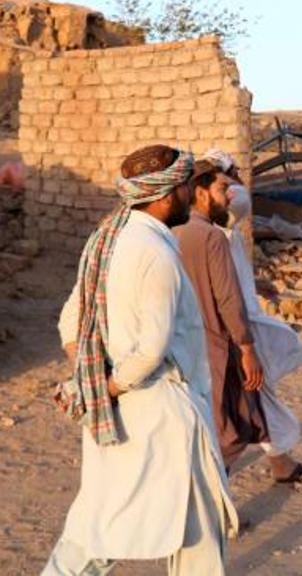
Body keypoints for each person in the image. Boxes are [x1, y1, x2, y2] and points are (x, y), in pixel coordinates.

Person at [44, 145, 236, 576]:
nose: (192, 194)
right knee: (198, 534)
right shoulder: (156, 253)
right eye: (188, 186)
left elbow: (69, 322)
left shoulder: (106, 239)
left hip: (115, 414)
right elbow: (151, 349)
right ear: (167, 194)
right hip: (163, 416)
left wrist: (90, 381)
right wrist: (104, 386)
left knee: (99, 526)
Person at [174, 156, 302, 487]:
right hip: (220, 343)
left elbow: (219, 283)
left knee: (248, 410)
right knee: (229, 430)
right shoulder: (212, 235)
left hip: (202, 343)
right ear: (200, 192)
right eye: (224, 186)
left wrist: (252, 286)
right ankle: (209, 507)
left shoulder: (182, 232)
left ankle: (280, 466)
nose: (231, 193)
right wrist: (246, 348)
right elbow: (226, 298)